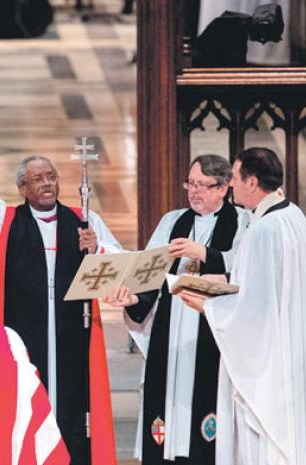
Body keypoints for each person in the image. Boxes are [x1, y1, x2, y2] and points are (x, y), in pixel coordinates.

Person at [0, 133, 121, 465]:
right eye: (37, 179)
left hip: (72, 338)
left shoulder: (83, 220)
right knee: (23, 409)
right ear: (22, 189)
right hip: (21, 336)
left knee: (73, 413)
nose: (47, 184)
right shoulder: (3, 220)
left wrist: (96, 248)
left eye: (51, 176)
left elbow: (116, 264)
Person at [178, 147, 306, 465]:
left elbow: (254, 310)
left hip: (268, 361)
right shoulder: (293, 216)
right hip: (291, 349)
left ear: (252, 181)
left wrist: (209, 306)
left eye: (234, 178)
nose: (231, 185)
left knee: (264, 441)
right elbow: (266, 288)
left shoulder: (264, 229)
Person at [104, 154, 250, 464]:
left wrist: (206, 253)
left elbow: (247, 270)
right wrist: (133, 300)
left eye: (203, 185)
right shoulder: (173, 221)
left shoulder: (242, 222)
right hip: (171, 330)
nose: (194, 191)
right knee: (165, 417)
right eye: (190, 184)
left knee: (205, 418)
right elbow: (149, 272)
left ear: (224, 188)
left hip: (211, 332)